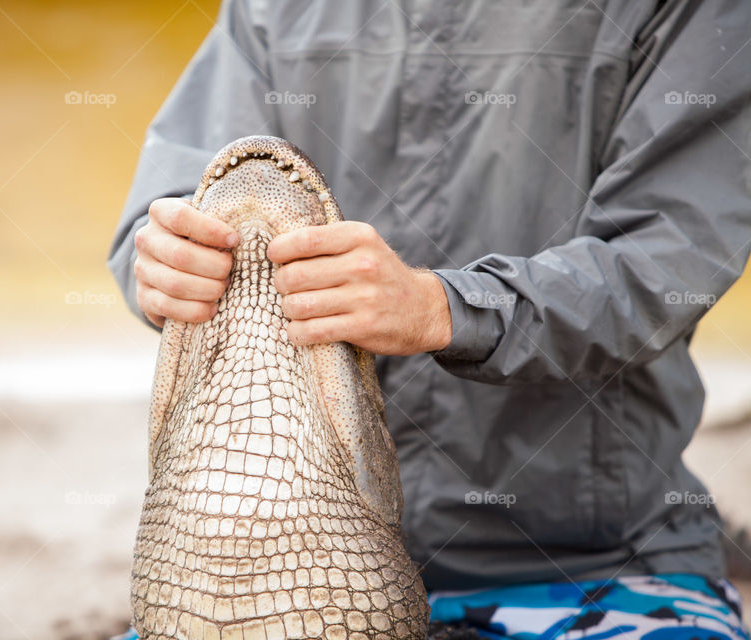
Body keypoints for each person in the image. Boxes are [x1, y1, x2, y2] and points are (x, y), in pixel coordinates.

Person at [109, 1, 751, 637]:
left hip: (601, 561)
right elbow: (172, 199)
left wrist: (445, 309)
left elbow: (665, 261)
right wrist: (170, 258)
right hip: (287, 563)